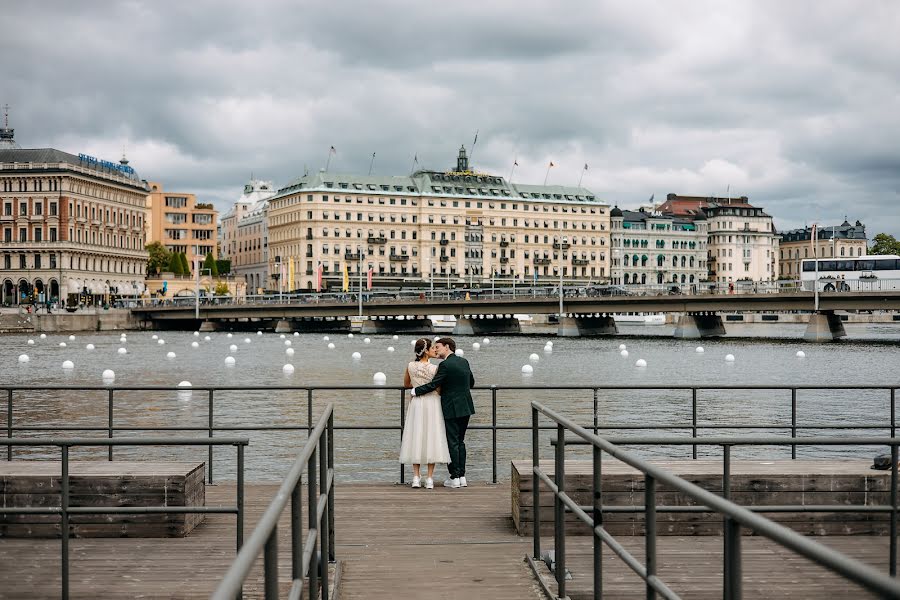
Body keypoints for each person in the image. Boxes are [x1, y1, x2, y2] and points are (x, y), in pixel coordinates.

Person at [410, 337, 475, 489]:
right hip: (466, 406)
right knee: (460, 441)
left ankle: (454, 477)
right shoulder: (464, 361)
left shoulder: (445, 365)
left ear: (447, 347)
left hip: (451, 407)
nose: (436, 349)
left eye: (438, 347)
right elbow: (471, 382)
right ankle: (462, 476)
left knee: (451, 442)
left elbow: (434, 384)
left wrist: (415, 391)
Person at [400, 339, 450, 490]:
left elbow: (406, 384)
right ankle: (429, 478)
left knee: (416, 437)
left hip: (417, 403)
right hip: (432, 403)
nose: (435, 350)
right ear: (426, 351)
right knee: (431, 437)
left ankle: (416, 477)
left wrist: (417, 385)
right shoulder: (435, 368)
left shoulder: (410, 366)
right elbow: (439, 389)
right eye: (432, 348)